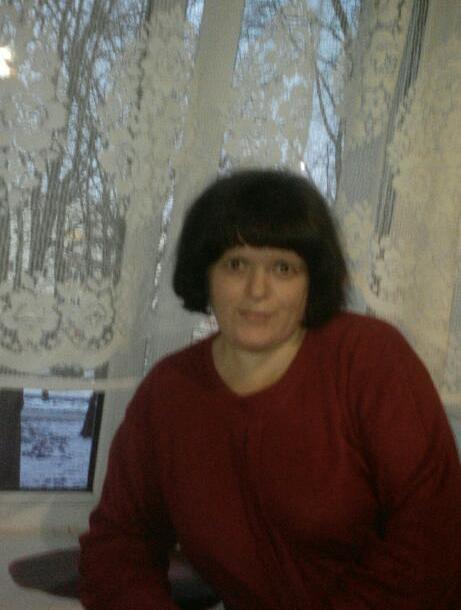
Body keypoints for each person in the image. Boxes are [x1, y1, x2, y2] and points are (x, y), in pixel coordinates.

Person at [79, 169, 461, 610]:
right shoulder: (167, 394)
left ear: (312, 280)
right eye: (236, 265)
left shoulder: (370, 360)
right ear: (205, 274)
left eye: (283, 268)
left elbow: (434, 542)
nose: (257, 290)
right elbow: (117, 544)